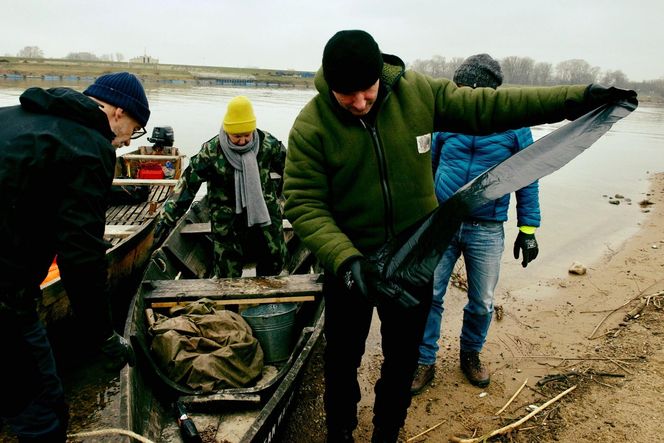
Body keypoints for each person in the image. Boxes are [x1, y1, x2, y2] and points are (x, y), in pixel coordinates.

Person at [282, 29, 636, 443]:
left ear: (382, 74)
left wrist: (577, 98)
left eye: (367, 91)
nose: (359, 103)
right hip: (351, 264)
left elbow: (493, 106)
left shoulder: (417, 94)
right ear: (330, 84)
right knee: (342, 362)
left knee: (401, 363)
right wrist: (346, 261)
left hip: (414, 256)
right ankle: (340, 431)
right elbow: (304, 204)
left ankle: (386, 433)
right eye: (347, 95)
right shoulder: (312, 125)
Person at [0, 71, 148, 442]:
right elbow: (81, 257)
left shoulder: (12, 117)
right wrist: (102, 336)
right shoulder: (89, 144)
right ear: (116, 112)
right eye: (134, 127)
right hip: (5, 298)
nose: (129, 139)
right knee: (43, 412)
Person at [411, 54, 540, 395]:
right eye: (459, 87)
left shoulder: (515, 127)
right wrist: (419, 216)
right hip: (443, 223)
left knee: (482, 301)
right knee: (431, 295)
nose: (463, 93)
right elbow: (428, 168)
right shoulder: (446, 121)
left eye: (469, 87)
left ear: (488, 91)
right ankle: (424, 360)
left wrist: (528, 230)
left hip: (487, 228)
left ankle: (470, 354)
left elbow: (528, 179)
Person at [155, 96, 287, 278]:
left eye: (247, 135)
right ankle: (228, 305)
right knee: (227, 275)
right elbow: (186, 187)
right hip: (228, 224)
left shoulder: (268, 144)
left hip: (264, 217)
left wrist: (288, 200)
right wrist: (165, 221)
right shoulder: (211, 152)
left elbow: (293, 172)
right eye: (237, 136)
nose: (242, 141)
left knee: (274, 262)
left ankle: (267, 303)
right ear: (227, 130)